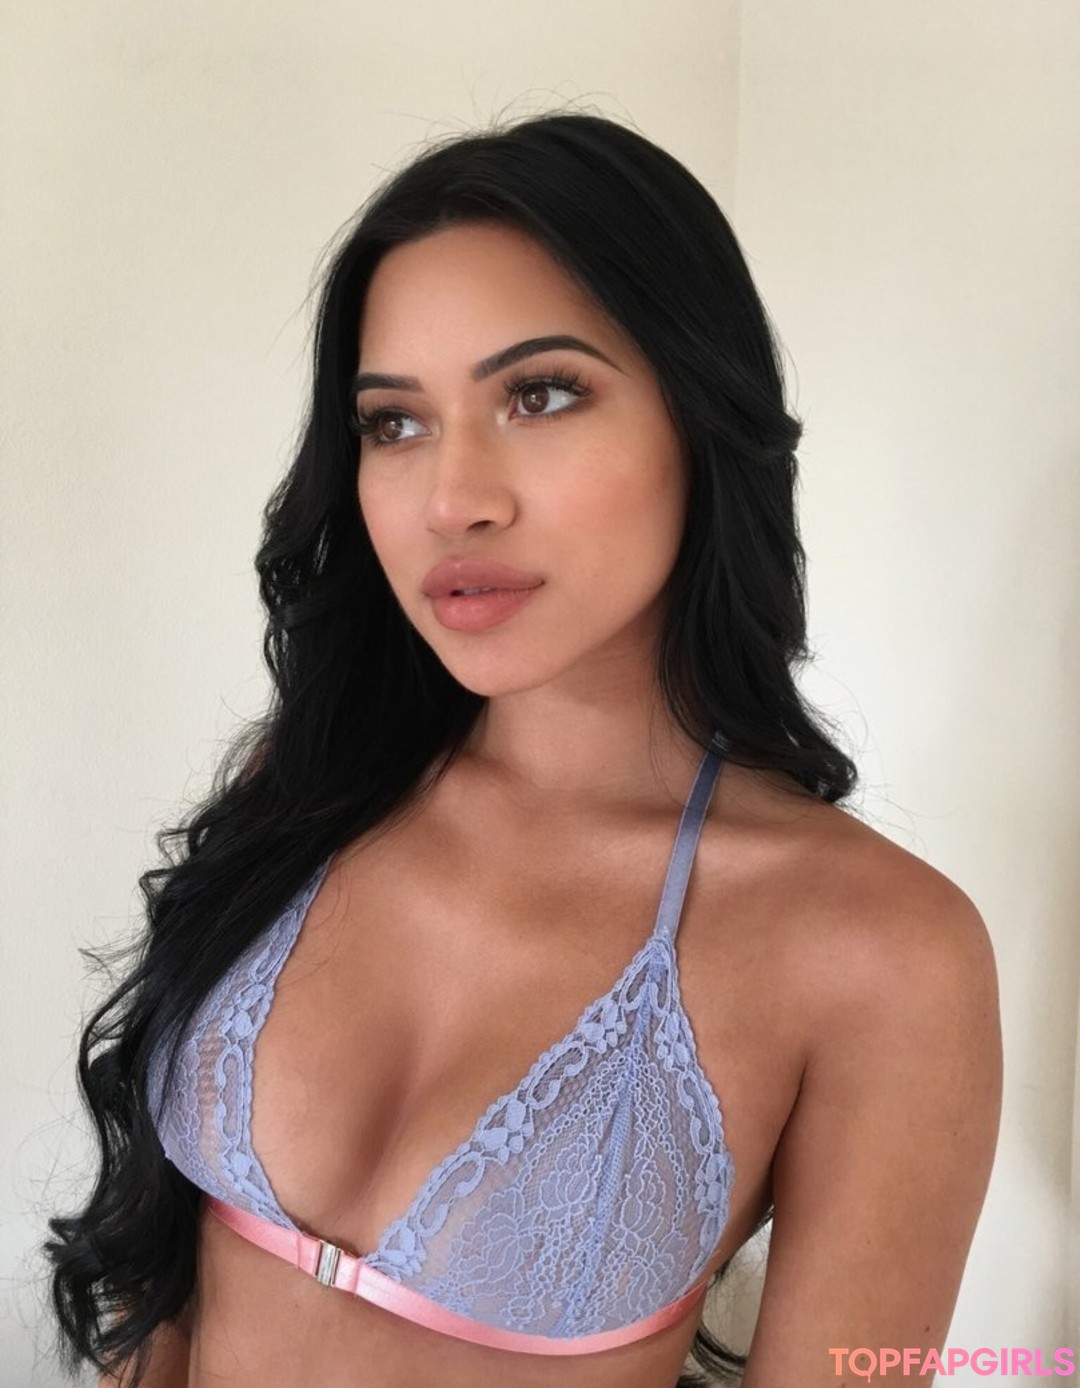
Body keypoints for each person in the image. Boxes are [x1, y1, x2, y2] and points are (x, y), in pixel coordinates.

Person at [44, 109, 1002, 1388]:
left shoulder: (881, 953)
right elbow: (166, 1290)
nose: (453, 499)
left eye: (539, 394)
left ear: (699, 413)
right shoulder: (315, 782)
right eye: (394, 423)